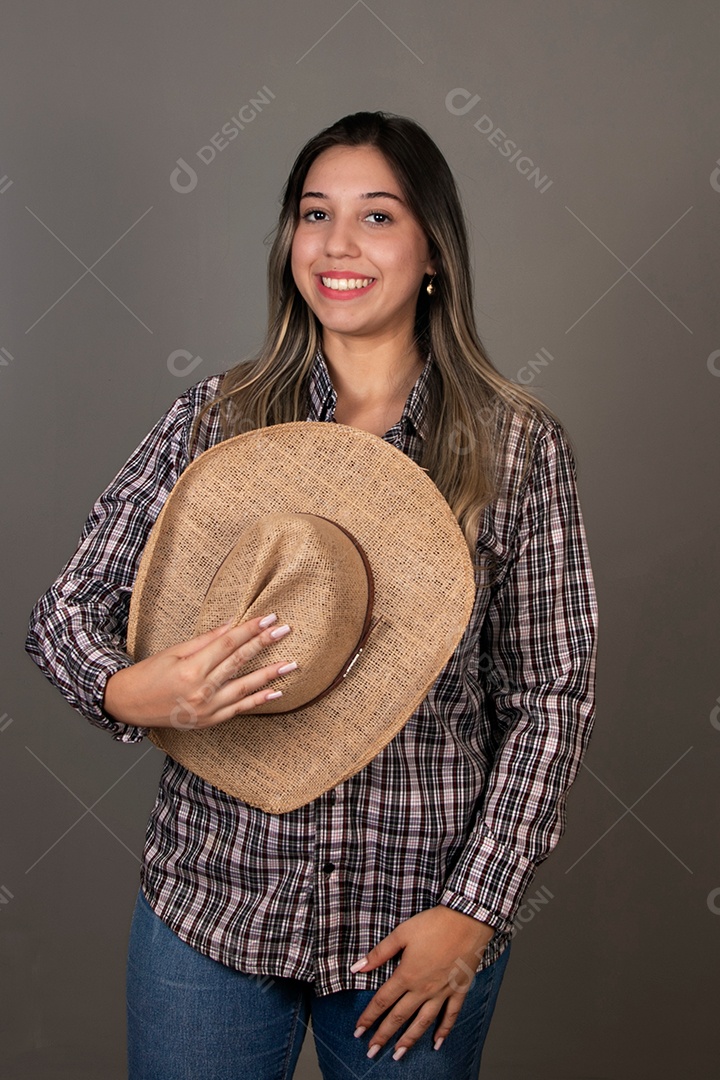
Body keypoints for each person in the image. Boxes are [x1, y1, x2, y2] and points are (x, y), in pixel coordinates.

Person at [25, 110, 598, 1079]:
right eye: (313, 213)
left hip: (413, 920)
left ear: (434, 253)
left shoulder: (517, 448)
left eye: (377, 217)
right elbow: (65, 614)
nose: (337, 245)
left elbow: (551, 697)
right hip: (210, 904)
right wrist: (131, 693)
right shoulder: (215, 420)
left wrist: (474, 913)